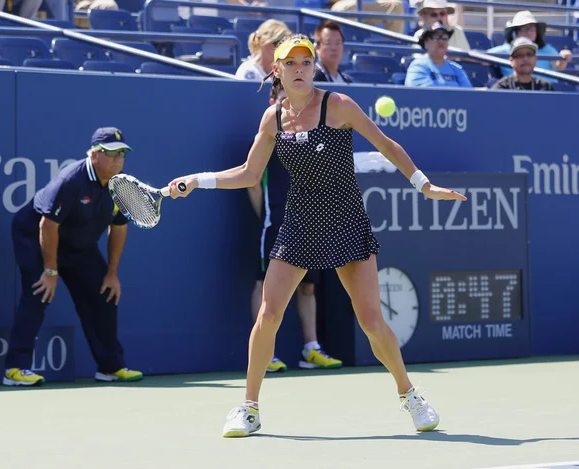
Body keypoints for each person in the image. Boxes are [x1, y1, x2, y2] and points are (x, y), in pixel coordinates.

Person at [167, 34, 466, 437]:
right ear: (277, 70)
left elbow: (387, 145)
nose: (300, 69)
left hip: (346, 221)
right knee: (268, 315)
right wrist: (198, 180)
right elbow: (249, 174)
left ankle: (409, 394)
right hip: (299, 224)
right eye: (291, 63)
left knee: (372, 321)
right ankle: (249, 408)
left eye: (306, 62)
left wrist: (424, 185)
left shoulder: (338, 105)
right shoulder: (272, 118)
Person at [3, 127, 143, 387]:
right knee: (38, 293)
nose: (118, 159)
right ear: (94, 155)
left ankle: (110, 367)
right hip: (36, 236)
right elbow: (48, 225)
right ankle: (15, 368)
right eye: (111, 153)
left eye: (122, 153)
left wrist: (112, 273)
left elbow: (119, 227)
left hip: (78, 245)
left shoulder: (121, 185)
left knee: (104, 294)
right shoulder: (72, 180)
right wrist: (50, 270)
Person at [247, 85, 343, 373]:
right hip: (276, 222)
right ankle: (268, 354)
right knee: (265, 286)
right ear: (272, 101)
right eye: (282, 97)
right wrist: (266, 216)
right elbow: (251, 181)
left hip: (310, 224)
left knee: (309, 286)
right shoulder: (267, 135)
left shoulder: (310, 135)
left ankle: (311, 349)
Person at [487, 10, 572, 81]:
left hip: (547, 93)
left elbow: (559, 66)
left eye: (532, 28)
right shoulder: (505, 49)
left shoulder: (546, 49)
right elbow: (482, 57)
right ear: (515, 32)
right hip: (517, 93)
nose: (529, 32)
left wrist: (563, 57)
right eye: (524, 28)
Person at [405, 21, 473, 88]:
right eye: (436, 37)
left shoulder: (456, 69)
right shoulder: (418, 66)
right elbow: (423, 96)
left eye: (445, 37)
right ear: (426, 42)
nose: (441, 41)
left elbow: (469, 94)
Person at [328, 0, 404, 34]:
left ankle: (391, 50)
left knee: (396, 6)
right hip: (341, 4)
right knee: (349, 7)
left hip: (365, 3)